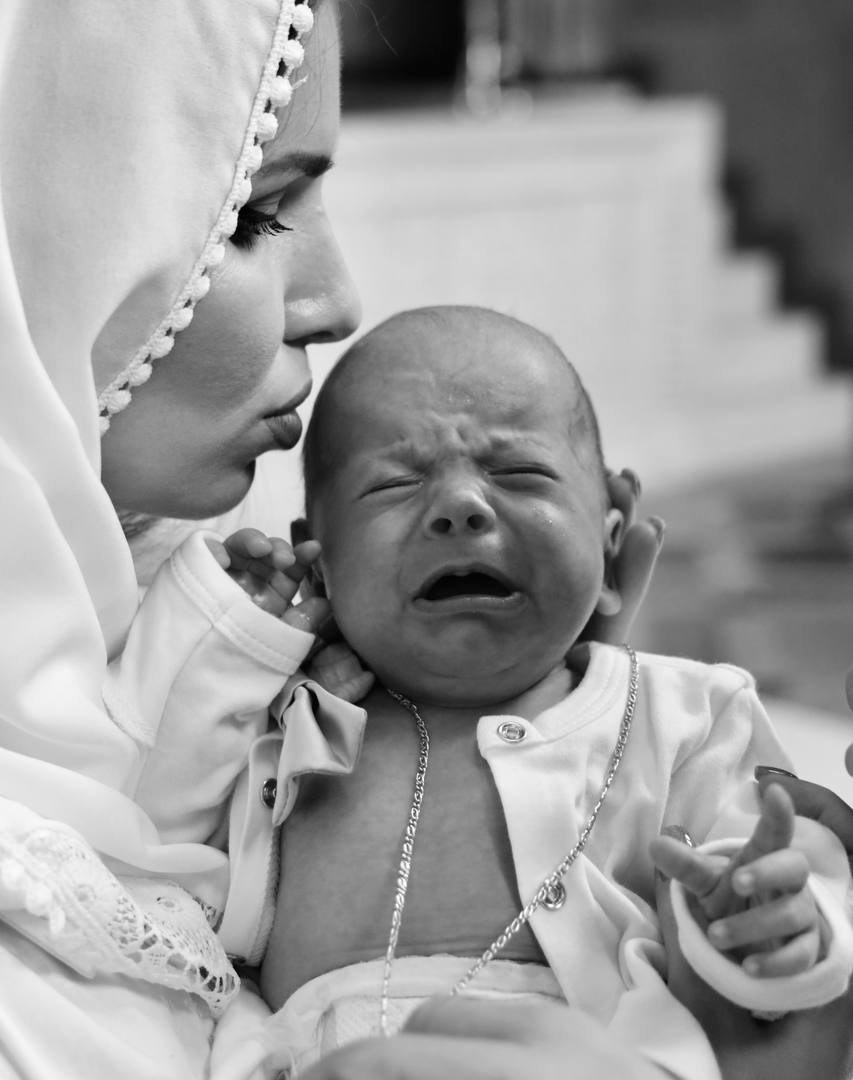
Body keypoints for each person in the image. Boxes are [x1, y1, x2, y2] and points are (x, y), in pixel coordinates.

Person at [1, 0, 848, 1078]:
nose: (339, 299)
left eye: (515, 468)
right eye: (255, 214)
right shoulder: (262, 688)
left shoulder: (170, 600)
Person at [197, 306, 852, 1079]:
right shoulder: (290, 724)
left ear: (611, 551)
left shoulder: (683, 715)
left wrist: (774, 930)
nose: (460, 506)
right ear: (322, 564)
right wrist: (232, 652)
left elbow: (777, 856)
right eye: (395, 484)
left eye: (518, 474)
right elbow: (173, 857)